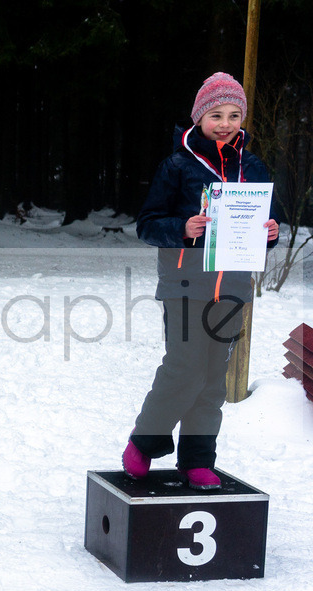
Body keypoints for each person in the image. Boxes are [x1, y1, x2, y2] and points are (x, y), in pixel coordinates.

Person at [122, 72, 279, 490]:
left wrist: (270, 234)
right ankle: (144, 442)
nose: (224, 123)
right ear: (198, 118)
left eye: (233, 115)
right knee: (184, 369)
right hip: (185, 284)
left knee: (213, 380)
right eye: (215, 115)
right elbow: (148, 225)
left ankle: (197, 460)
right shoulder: (177, 166)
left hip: (232, 287)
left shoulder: (255, 167)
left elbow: (266, 226)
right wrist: (183, 228)